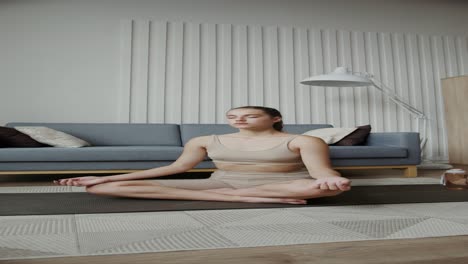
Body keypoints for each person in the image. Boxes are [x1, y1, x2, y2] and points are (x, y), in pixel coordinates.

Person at [55, 106, 351, 204]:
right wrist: (105, 176)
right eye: (234, 116)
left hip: (284, 184)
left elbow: (321, 173)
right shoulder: (205, 140)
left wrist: (332, 181)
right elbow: (174, 169)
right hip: (221, 185)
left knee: (316, 188)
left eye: (249, 116)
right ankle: (244, 199)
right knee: (102, 188)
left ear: (274, 118)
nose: (239, 120)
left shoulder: (304, 140)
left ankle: (256, 195)